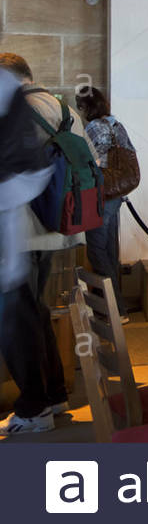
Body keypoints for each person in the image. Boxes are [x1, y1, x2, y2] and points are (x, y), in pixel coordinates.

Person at [0, 53, 90, 435]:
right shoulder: (65, 109)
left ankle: (35, 405)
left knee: (20, 321)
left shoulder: (18, 108)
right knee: (36, 314)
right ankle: (54, 395)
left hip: (23, 229)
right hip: (58, 228)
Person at [76, 87, 136, 314]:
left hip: (103, 194)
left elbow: (89, 161)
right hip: (117, 193)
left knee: (97, 251)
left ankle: (115, 310)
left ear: (85, 107)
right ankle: (110, 305)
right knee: (109, 251)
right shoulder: (116, 125)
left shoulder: (93, 128)